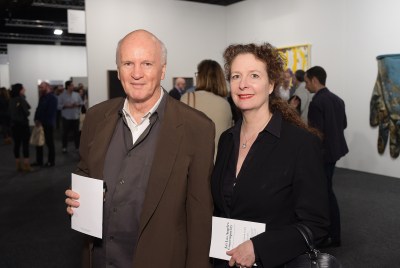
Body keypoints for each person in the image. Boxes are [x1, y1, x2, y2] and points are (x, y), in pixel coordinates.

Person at [65, 29, 215, 267]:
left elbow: (199, 216)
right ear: (118, 69)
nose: (136, 73)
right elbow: (85, 170)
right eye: (128, 63)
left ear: (163, 69)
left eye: (147, 63)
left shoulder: (197, 128)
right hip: (101, 258)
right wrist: (77, 196)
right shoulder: (96, 118)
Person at [211, 43, 329, 268]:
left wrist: (260, 247)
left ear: (271, 84)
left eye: (254, 75)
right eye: (236, 76)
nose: (243, 84)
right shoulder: (227, 139)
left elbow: (317, 223)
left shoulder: (301, 144)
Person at [305, 66, 349, 248]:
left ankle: (331, 234)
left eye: (307, 81)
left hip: (323, 154)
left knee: (325, 193)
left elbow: (316, 134)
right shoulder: (338, 100)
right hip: (335, 151)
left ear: (315, 80)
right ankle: (332, 233)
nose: (306, 86)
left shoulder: (317, 103)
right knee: (326, 190)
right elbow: (343, 125)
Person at [181, 59, 232, 156]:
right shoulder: (225, 105)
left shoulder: (187, 98)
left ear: (201, 77)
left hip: (193, 161)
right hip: (217, 161)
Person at [33, 81, 58, 167]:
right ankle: (39, 161)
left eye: (41, 87)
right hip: (39, 123)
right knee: (38, 143)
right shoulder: (42, 97)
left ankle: (51, 161)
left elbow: (50, 113)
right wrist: (36, 119)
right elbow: (38, 109)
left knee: (49, 143)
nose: (40, 89)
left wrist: (40, 121)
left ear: (47, 87)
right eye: (39, 87)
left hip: (48, 124)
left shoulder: (52, 98)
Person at [8, 83, 31, 171]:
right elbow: (27, 112)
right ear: (20, 90)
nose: (25, 89)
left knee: (16, 145)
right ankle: (26, 165)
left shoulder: (11, 99)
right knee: (25, 144)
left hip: (14, 125)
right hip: (23, 125)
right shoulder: (21, 99)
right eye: (23, 88)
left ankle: (18, 164)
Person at [58, 80, 82, 153]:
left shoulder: (76, 94)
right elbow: (58, 106)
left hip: (75, 117)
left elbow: (81, 103)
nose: (73, 86)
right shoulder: (61, 95)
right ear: (68, 86)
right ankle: (64, 147)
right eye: (71, 85)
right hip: (66, 118)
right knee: (65, 133)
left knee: (76, 134)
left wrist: (77, 104)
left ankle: (77, 148)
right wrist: (66, 106)